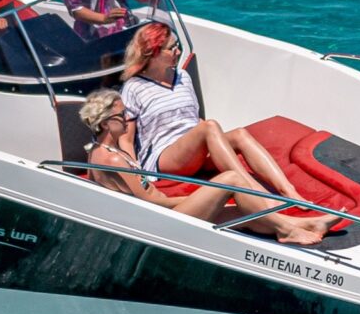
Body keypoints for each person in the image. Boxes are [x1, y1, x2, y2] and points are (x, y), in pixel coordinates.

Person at [118, 22, 331, 245]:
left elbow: (192, 118)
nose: (178, 51)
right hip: (165, 156)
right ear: (153, 52)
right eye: (172, 48)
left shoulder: (182, 77)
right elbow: (126, 138)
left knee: (239, 134)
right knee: (209, 126)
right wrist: (136, 171)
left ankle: (288, 191)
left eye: (177, 45)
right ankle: (257, 193)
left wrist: (209, 139)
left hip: (194, 147)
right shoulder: (134, 87)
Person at [78, 86, 326, 243]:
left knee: (241, 212)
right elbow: (152, 202)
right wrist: (204, 195)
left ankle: (299, 225)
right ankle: (287, 231)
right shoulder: (112, 159)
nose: (127, 119)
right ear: (105, 123)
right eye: (121, 115)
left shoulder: (104, 152)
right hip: (162, 221)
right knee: (231, 179)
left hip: (161, 212)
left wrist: (208, 198)